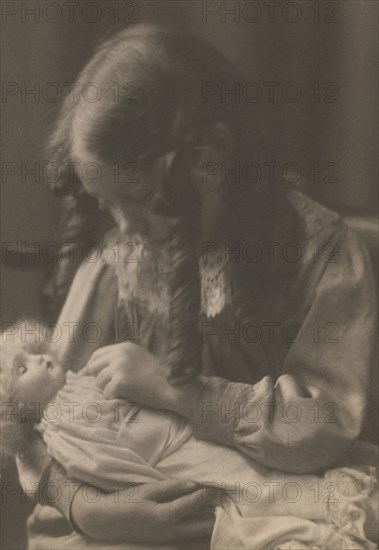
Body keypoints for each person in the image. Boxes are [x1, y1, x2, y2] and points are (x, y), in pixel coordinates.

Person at [15, 23, 377, 549]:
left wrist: (175, 389)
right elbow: (45, 413)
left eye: (144, 204)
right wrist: (91, 508)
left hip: (272, 499)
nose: (127, 229)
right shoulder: (120, 258)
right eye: (108, 206)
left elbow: (322, 427)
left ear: (213, 160)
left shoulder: (318, 254)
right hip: (133, 507)